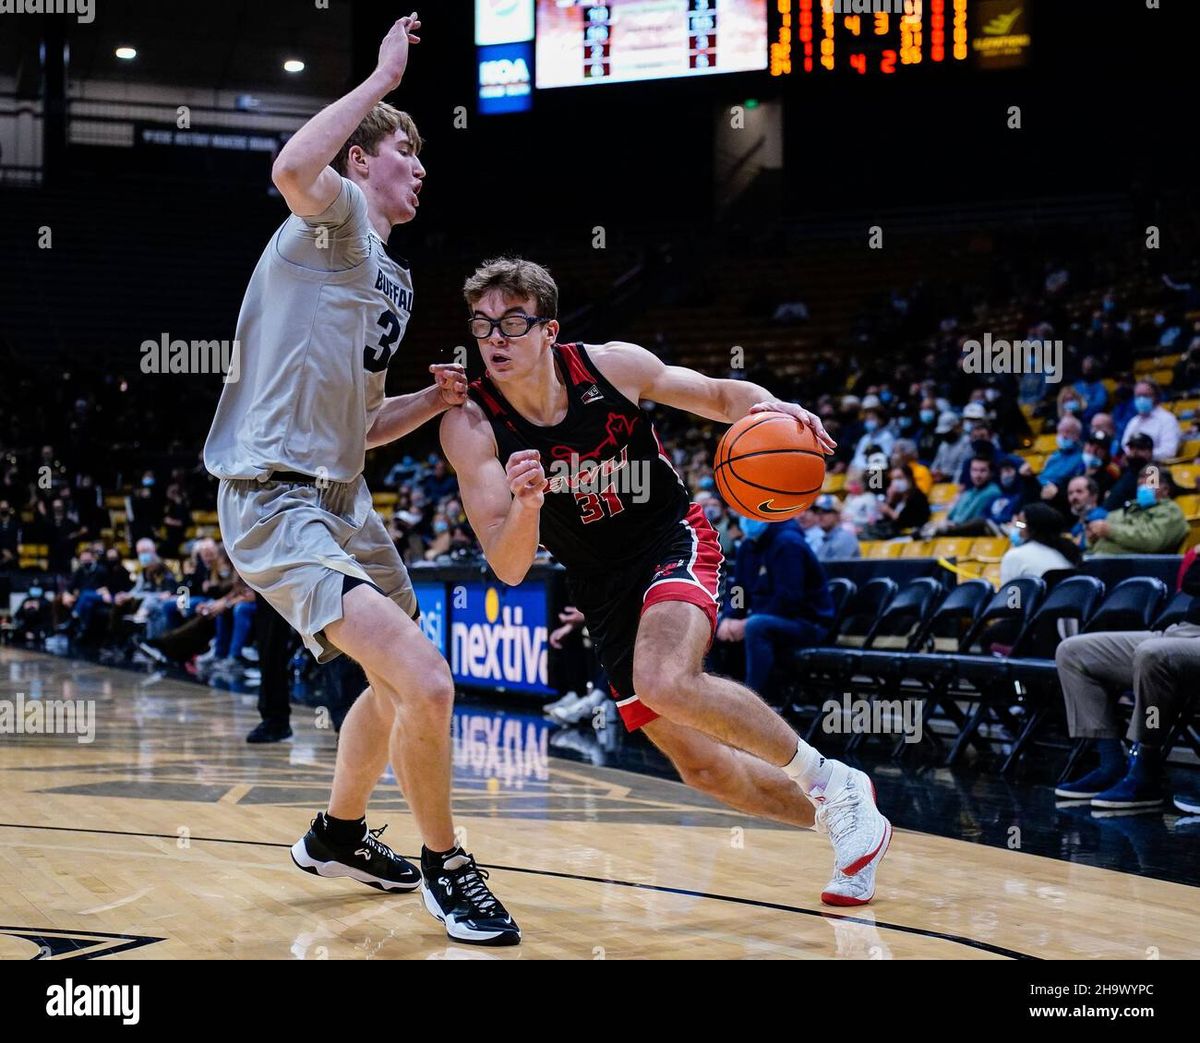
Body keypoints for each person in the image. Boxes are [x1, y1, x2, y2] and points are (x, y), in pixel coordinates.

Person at [201, 16, 518, 945]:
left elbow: (362, 430)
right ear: (368, 155)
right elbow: (294, 168)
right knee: (427, 677)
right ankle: (447, 865)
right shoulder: (331, 218)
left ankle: (338, 832)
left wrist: (430, 396)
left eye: (423, 156)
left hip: (341, 496)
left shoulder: (392, 276)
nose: (422, 168)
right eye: (407, 154)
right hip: (274, 497)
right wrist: (381, 80)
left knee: (396, 675)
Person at [441, 256, 892, 908]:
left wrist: (773, 407)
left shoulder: (610, 366)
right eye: (482, 326)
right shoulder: (472, 424)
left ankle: (833, 782)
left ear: (549, 329)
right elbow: (510, 566)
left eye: (513, 321)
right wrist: (530, 505)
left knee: (664, 678)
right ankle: (849, 821)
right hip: (600, 587)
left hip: (667, 540)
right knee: (704, 767)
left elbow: (716, 396)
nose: (495, 339)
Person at [1054, 554, 1200, 809]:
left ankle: (1146, 769)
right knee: (1072, 652)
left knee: (1153, 654)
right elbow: (1192, 580)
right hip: (1184, 630)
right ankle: (1110, 763)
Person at [713, 518, 834, 705]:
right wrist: (730, 618)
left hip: (807, 622)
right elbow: (739, 590)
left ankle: (752, 703)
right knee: (714, 625)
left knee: (755, 626)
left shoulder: (788, 543)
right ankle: (717, 697)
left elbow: (789, 598)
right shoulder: (748, 546)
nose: (745, 519)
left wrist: (744, 623)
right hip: (768, 620)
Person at [1086, 466, 1188, 555]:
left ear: (1165, 489)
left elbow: (1152, 540)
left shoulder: (1171, 511)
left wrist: (1111, 531)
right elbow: (1107, 527)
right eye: (1140, 484)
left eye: (1149, 483)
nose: (1143, 488)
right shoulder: (1132, 507)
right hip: (1103, 560)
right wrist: (1093, 538)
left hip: (1143, 568)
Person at [999, 503, 1082, 582]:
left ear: (1032, 527)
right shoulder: (1070, 554)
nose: (1017, 527)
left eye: (1021, 524)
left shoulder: (1014, 556)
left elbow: (1009, 595)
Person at [862, 464, 929, 540]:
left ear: (909, 478)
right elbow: (886, 520)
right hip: (895, 535)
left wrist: (889, 511)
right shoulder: (897, 498)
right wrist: (889, 500)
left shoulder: (917, 496)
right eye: (893, 479)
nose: (896, 482)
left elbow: (910, 522)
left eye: (899, 478)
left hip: (911, 536)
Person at [1120, 380, 1181, 461]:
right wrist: (1134, 454)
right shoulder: (1134, 421)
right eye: (1138, 396)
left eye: (1145, 396)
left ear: (1156, 397)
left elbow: (1169, 451)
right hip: (1133, 465)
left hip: (1157, 466)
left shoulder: (1168, 420)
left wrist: (1147, 455)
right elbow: (1125, 445)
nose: (1141, 399)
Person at [1102, 432, 1155, 510]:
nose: (1134, 452)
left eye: (1140, 448)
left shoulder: (1153, 473)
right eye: (1131, 448)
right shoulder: (1123, 471)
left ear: (1150, 452)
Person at [809, 494, 862, 559]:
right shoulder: (821, 538)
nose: (820, 516)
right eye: (817, 512)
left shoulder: (844, 537)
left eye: (826, 511)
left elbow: (833, 568)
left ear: (837, 515)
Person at [1065, 475, 1107, 545]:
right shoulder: (1077, 525)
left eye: (1079, 491)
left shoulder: (1100, 517)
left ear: (1093, 496)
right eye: (1070, 493)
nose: (1074, 497)